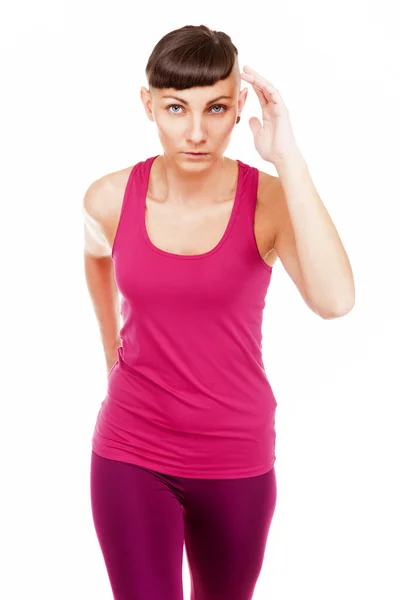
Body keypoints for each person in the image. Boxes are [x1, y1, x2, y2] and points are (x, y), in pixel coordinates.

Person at [84, 22, 353, 600]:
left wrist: (289, 159)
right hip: (132, 451)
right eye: (177, 108)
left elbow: (335, 301)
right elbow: (95, 257)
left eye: (218, 109)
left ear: (239, 111)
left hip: (236, 456)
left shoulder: (270, 201)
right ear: (148, 105)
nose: (198, 132)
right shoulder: (108, 197)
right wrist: (113, 357)